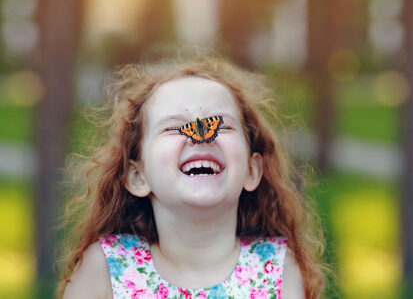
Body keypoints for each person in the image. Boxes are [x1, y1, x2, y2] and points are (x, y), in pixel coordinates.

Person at [59, 54, 326, 299]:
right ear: (138, 176)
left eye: (220, 124)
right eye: (174, 127)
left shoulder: (276, 271)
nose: (198, 137)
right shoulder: (106, 268)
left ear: (252, 170)